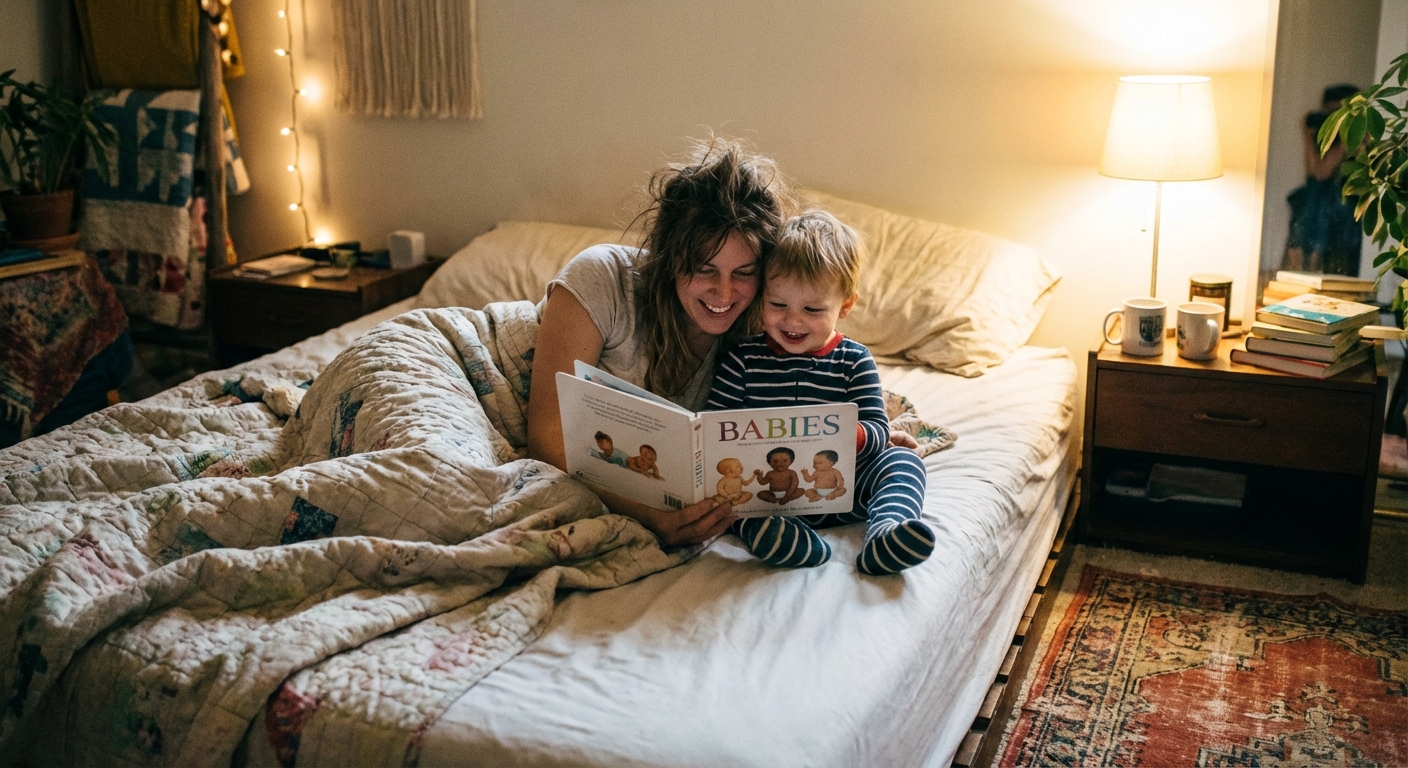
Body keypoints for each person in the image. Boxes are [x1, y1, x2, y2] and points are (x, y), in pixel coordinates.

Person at [527, 138, 794, 547]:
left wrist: (862, 431)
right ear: (669, 257)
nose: (724, 294)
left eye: (744, 272)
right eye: (704, 269)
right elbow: (546, 435)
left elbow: (821, 363)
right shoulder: (602, 278)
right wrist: (648, 516)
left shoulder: (766, 311)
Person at [705, 210, 933, 575]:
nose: (793, 321)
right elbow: (715, 425)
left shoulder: (854, 360)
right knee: (729, 502)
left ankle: (885, 535)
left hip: (842, 493)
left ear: (845, 306)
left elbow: (877, 427)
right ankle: (787, 540)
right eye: (777, 305)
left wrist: (851, 434)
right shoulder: (742, 359)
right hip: (768, 498)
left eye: (812, 309)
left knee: (904, 462)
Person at [1283, 84, 1362, 276]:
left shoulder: (1360, 134)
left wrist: (1346, 137)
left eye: (1338, 112)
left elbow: (1322, 174)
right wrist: (1308, 136)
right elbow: (1314, 173)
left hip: (1353, 199)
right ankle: (1311, 262)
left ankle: (1302, 261)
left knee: (1317, 196)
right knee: (1311, 194)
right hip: (1326, 196)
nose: (1333, 118)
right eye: (1329, 112)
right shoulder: (1328, 136)